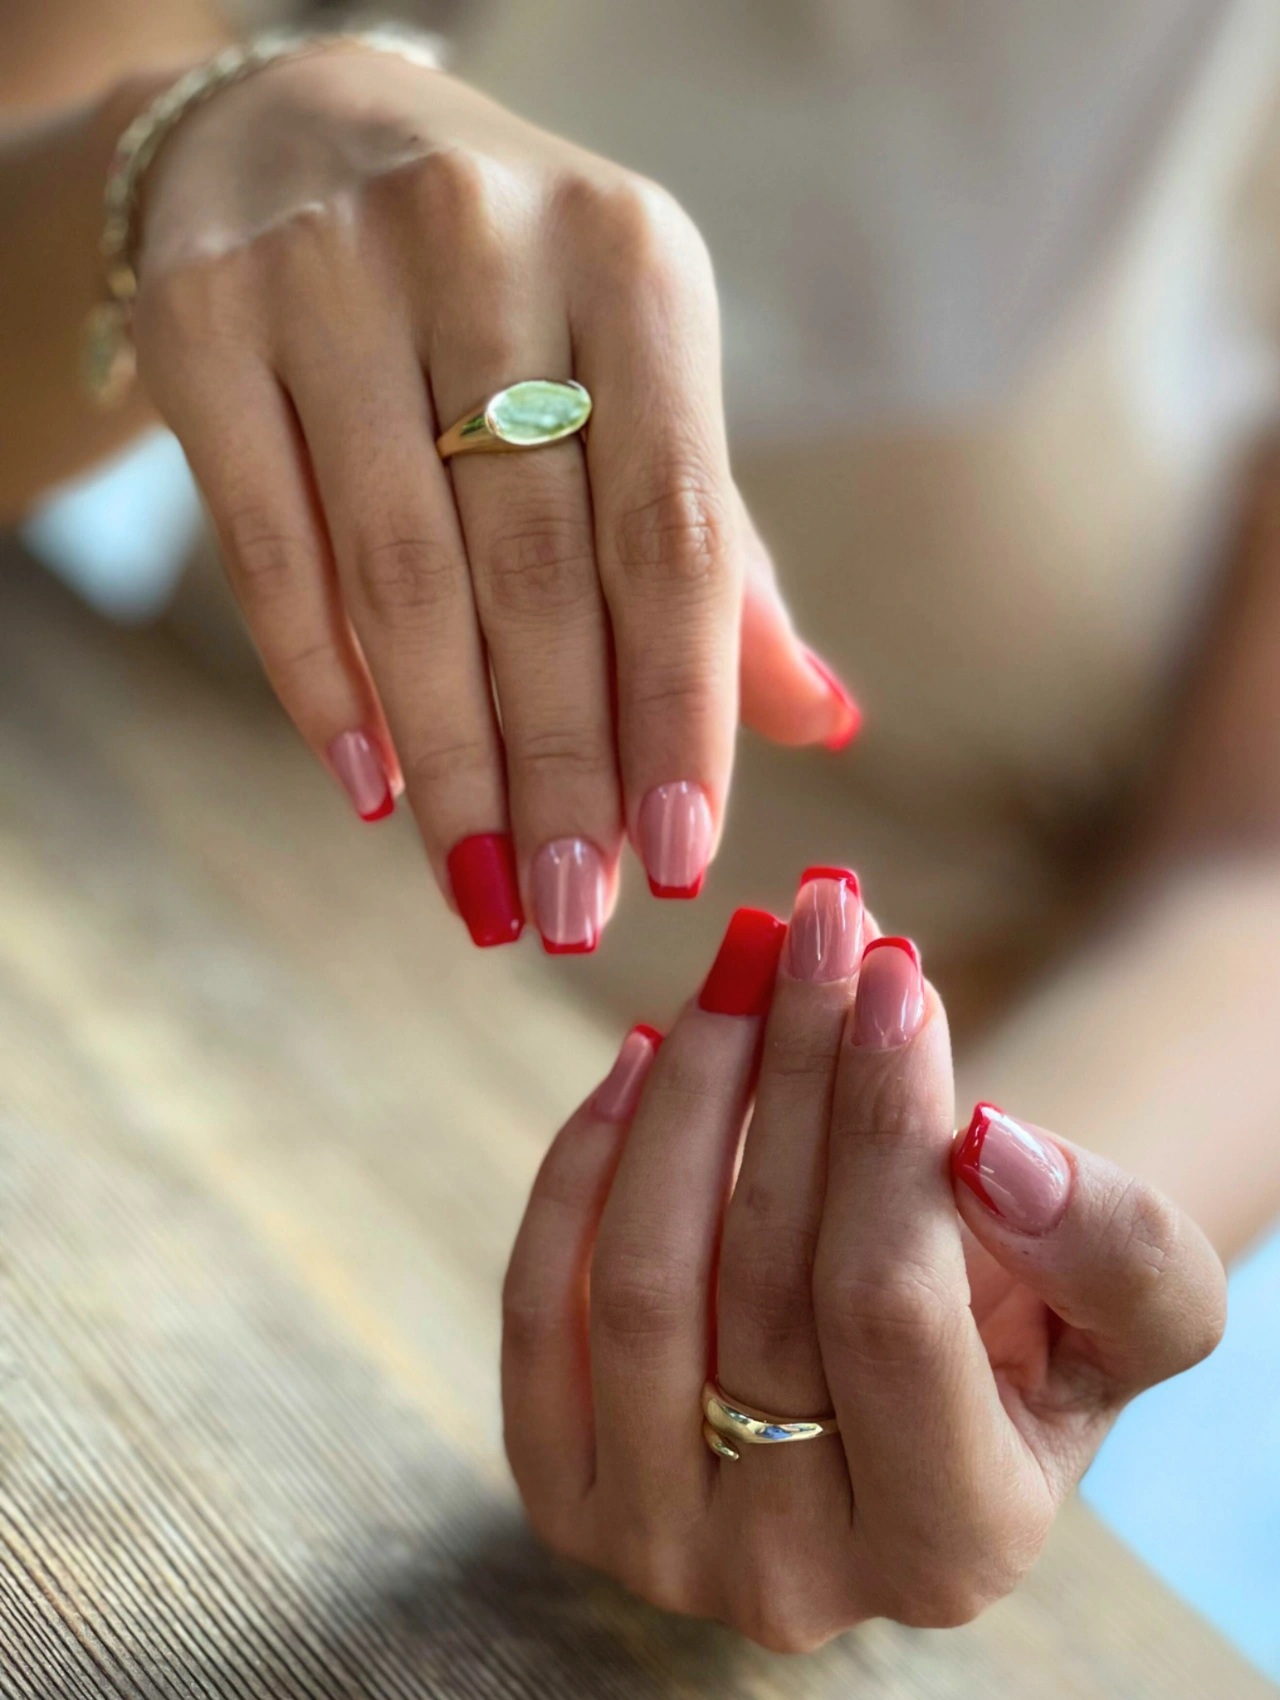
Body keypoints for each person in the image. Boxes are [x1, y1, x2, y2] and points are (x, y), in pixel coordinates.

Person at [3, 0, 1277, 1643]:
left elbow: (1250, 875)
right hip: (102, 911)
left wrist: (940, 1296)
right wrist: (178, 150)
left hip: (704, 1226)